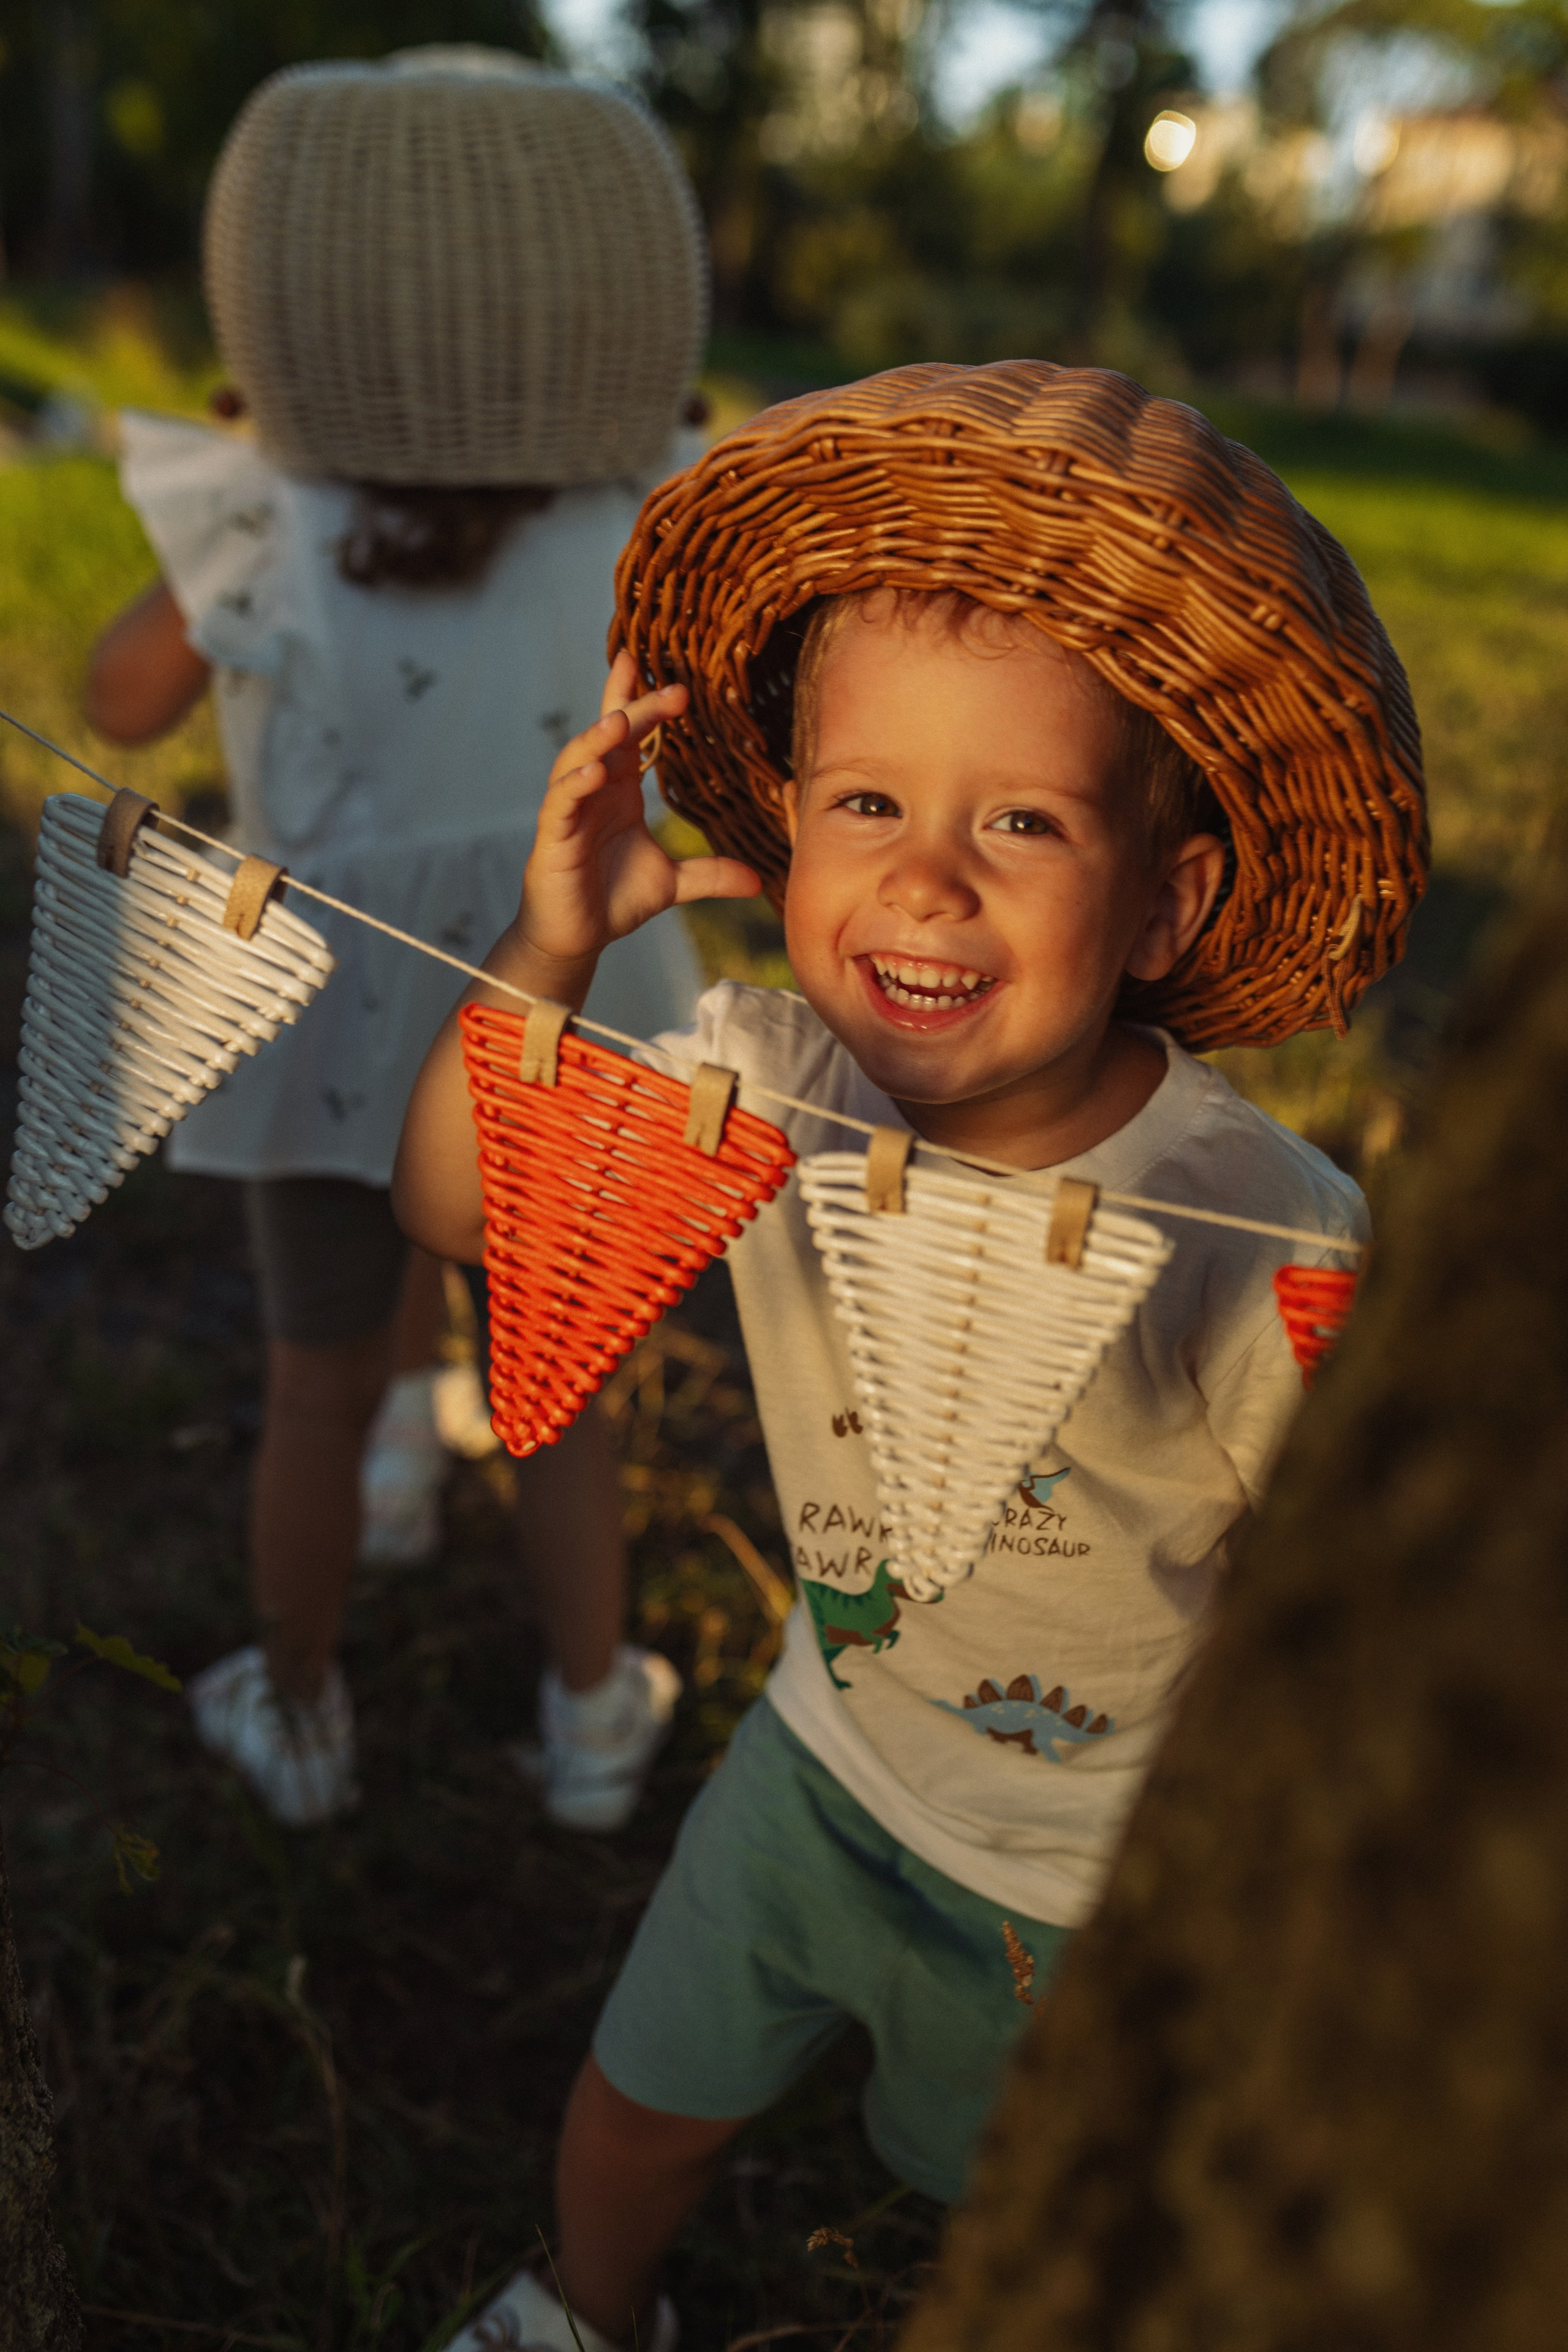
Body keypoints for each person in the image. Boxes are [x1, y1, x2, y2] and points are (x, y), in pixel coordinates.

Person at [391, 360, 1428, 2351]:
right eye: (867, 802)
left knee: (1014, 2224)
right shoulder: (771, 1083)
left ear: (1165, 899)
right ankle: (581, 2312)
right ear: (785, 830)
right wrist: (551, 951)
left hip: (1078, 1873)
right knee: (631, 2114)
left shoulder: (1252, 1230)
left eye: (1020, 820)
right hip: (820, 1757)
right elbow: (460, 1207)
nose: (926, 877)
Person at [84, 48, 710, 1831]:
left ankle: (298, 1706)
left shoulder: (262, 514)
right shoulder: (652, 512)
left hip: (324, 1004)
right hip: (575, 1004)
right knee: (568, 1385)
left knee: (311, 1378)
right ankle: (594, 1717)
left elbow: (115, 704)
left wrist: (236, 478)